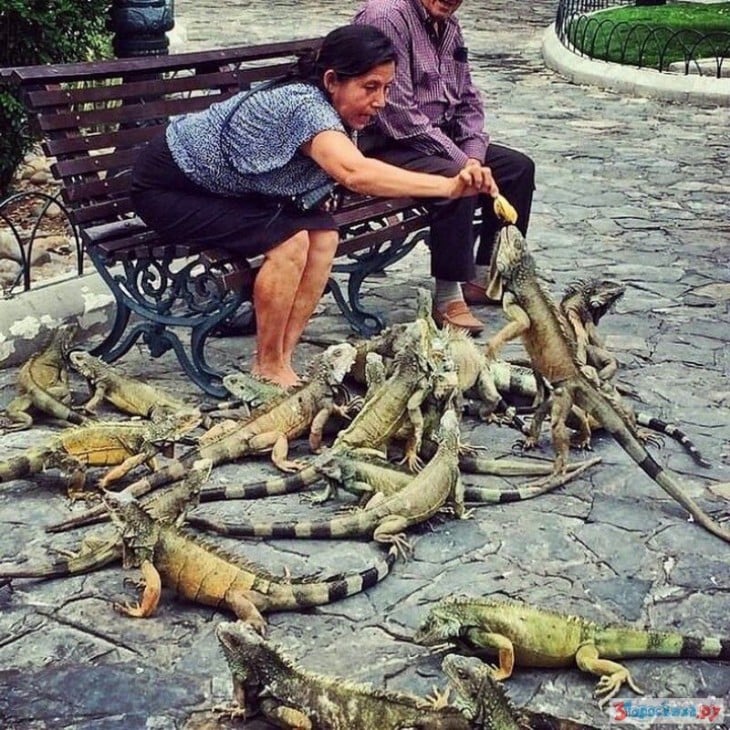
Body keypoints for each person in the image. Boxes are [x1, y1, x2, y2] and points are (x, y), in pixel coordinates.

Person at [131, 24, 499, 388]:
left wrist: (450, 185)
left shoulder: (328, 104)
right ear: (332, 80)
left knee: (323, 236)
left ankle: (282, 361)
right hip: (168, 189)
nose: (381, 101)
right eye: (369, 87)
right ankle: (267, 364)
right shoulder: (303, 106)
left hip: (223, 188)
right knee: (290, 243)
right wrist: (449, 186)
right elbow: (354, 172)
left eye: (386, 88)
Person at [353, 0, 536, 333]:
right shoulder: (387, 17)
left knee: (517, 169)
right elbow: (398, 114)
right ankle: (449, 295)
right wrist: (464, 164)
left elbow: (469, 100)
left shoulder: (448, 25)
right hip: (385, 143)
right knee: (456, 177)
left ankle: (482, 277)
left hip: (436, 138)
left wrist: (474, 157)